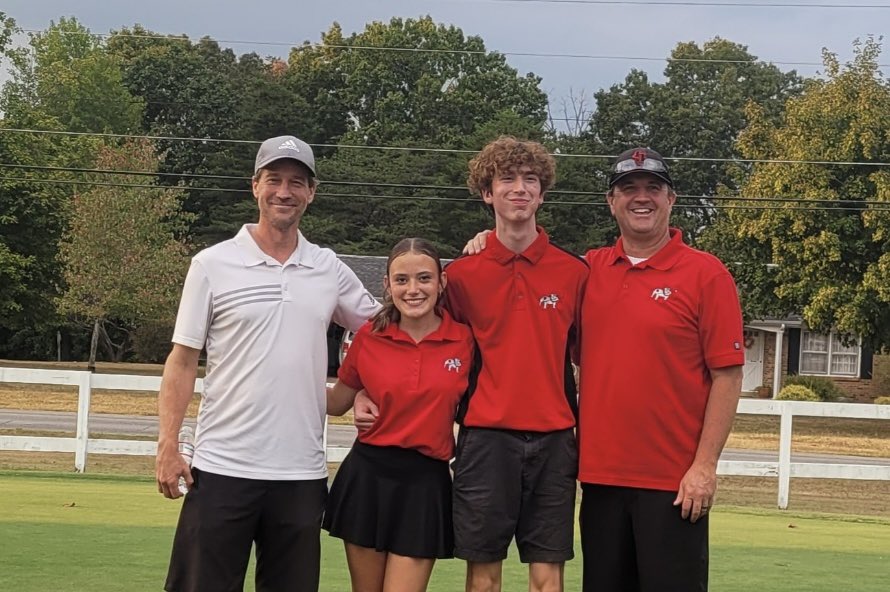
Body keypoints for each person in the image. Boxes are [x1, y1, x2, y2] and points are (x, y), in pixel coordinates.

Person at [359, 136, 587, 592]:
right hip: (485, 441)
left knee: (548, 579)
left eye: (530, 180)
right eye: (507, 179)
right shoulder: (460, 277)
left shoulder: (575, 272)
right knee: (483, 579)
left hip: (556, 439)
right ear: (488, 193)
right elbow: (421, 340)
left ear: (542, 194)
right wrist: (365, 387)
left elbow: (594, 358)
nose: (519, 188)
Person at [155, 135, 379, 592]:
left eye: (297, 182)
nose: (284, 191)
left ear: (311, 193)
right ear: (254, 186)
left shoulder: (328, 267)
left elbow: (390, 330)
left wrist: (363, 386)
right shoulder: (212, 264)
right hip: (220, 470)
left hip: (300, 474)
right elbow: (181, 361)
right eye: (274, 179)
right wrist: (167, 445)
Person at [576, 147, 744, 592]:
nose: (641, 198)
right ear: (611, 202)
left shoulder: (706, 274)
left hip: (674, 483)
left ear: (672, 200)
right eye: (628, 189)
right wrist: (485, 238)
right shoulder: (586, 271)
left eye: (653, 188)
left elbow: (727, 376)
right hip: (599, 479)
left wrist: (704, 467)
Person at [324, 237, 474, 592]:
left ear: (442, 283)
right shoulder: (369, 336)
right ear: (387, 285)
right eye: (402, 280)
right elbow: (336, 403)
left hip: (424, 483)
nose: (413, 289)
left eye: (424, 278)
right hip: (367, 477)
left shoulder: (465, 341)